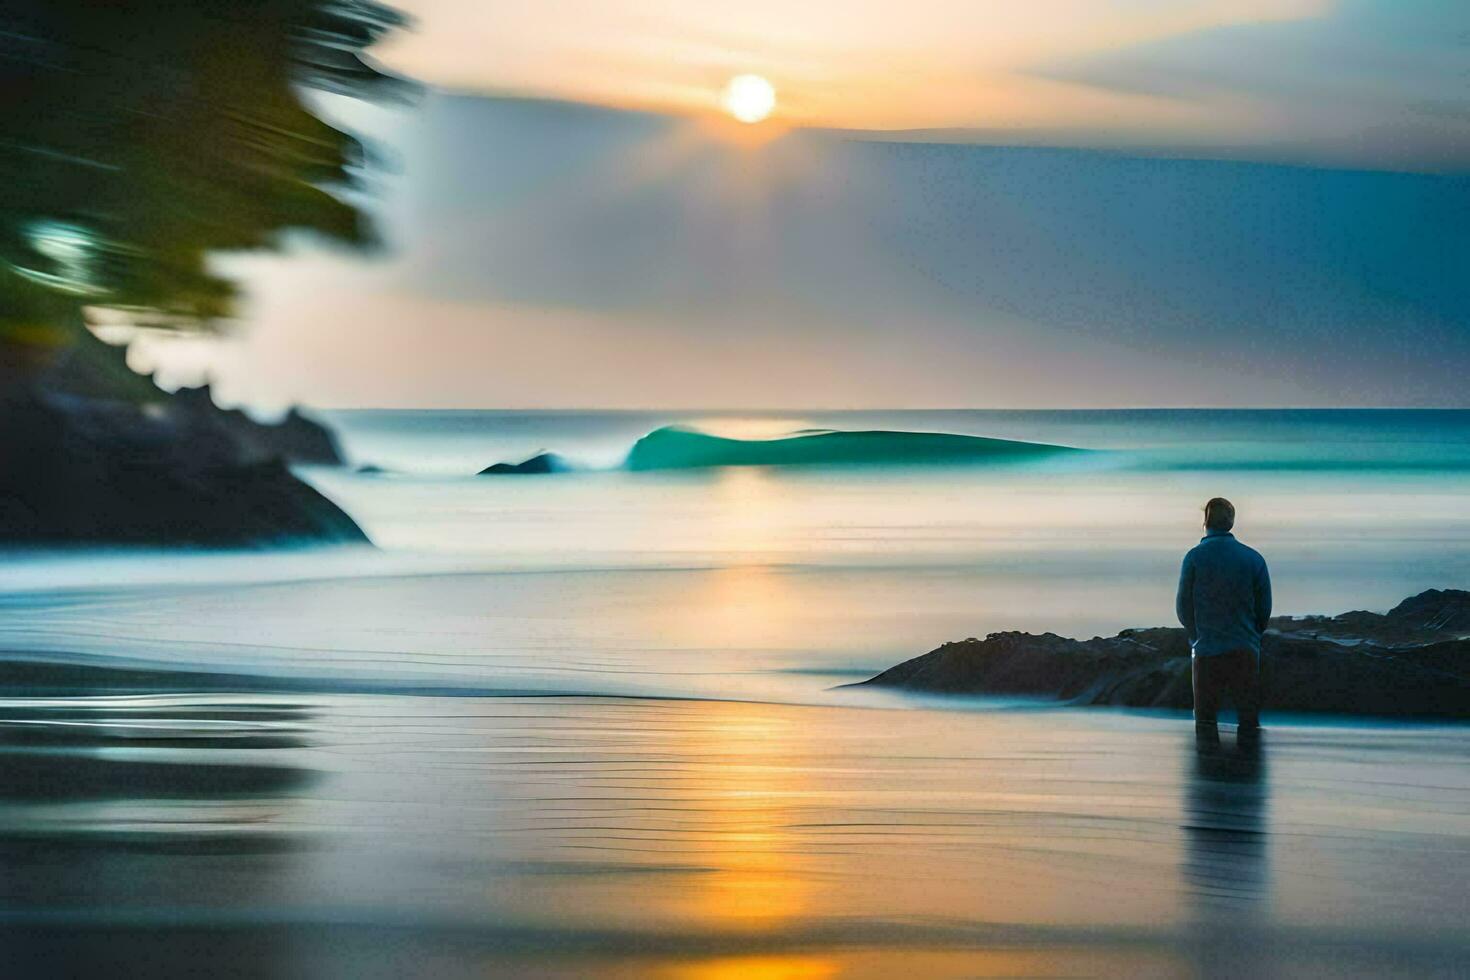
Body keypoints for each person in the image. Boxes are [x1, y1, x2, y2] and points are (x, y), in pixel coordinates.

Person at [1175, 497, 1271, 742]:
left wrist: (1195, 636)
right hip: (1245, 649)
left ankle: (1210, 767)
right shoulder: (1254, 558)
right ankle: (1247, 771)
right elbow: (1264, 608)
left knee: (1206, 720)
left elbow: (1183, 606)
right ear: (1232, 522)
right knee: (1248, 719)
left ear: (1205, 522)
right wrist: (1253, 636)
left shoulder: (1194, 557)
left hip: (1206, 650)